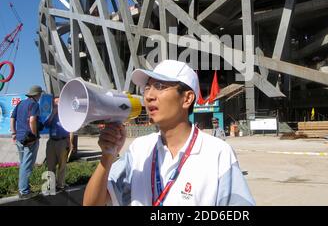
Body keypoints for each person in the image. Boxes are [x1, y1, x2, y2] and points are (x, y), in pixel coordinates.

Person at [83, 60, 255, 206]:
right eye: (147, 87)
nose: (149, 96)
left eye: (159, 86)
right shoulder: (139, 149)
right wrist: (107, 156)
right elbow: (92, 203)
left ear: (187, 98)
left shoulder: (218, 153)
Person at [10, 85, 43, 198]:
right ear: (37, 95)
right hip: (29, 140)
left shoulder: (20, 103)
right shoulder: (34, 104)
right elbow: (32, 120)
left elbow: (12, 118)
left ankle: (23, 188)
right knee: (27, 165)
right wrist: (34, 136)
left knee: (23, 164)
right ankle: (24, 191)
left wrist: (14, 133)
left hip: (19, 138)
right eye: (40, 94)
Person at [44, 97, 74, 191]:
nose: (56, 105)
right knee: (50, 165)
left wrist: (71, 143)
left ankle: (60, 184)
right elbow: (46, 124)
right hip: (52, 141)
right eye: (55, 104)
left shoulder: (66, 115)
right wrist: (53, 113)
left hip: (62, 141)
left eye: (58, 104)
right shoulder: (51, 114)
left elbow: (71, 129)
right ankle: (50, 185)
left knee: (62, 164)